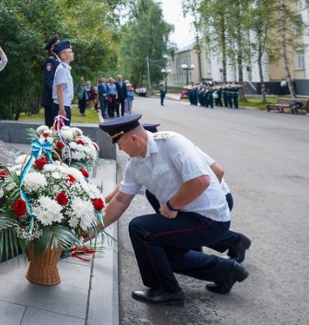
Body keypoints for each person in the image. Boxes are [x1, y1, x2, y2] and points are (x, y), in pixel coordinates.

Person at [93, 115, 249, 306]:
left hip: (209, 217)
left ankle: (167, 291)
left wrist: (172, 205)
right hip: (186, 215)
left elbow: (201, 181)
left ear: (134, 139)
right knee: (164, 258)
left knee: (141, 229)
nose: (119, 149)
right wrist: (93, 228)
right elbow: (121, 199)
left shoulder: (171, 143)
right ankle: (226, 271)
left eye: (120, 143)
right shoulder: (135, 165)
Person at [51, 40, 74, 123]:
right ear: (63, 55)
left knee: (64, 132)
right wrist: (62, 109)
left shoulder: (66, 68)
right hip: (61, 106)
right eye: (70, 52)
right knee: (62, 133)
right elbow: (59, 89)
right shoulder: (62, 69)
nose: (72, 54)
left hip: (64, 105)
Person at [41, 35, 60, 127]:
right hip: (51, 100)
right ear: (52, 48)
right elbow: (49, 81)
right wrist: (59, 94)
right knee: (50, 127)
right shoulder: (50, 61)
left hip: (55, 99)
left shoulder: (58, 61)